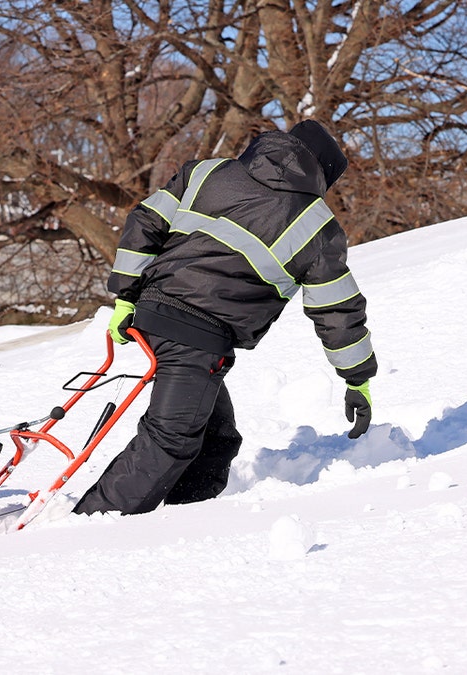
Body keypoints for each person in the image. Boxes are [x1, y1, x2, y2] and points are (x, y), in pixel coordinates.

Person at [73, 121, 377, 516]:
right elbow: (336, 306)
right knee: (171, 439)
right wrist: (357, 378)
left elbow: (145, 220)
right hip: (198, 337)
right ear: (323, 173)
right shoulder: (316, 225)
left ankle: (188, 518)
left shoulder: (207, 172)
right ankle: (91, 526)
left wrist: (126, 297)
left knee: (216, 439)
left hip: (154, 314)